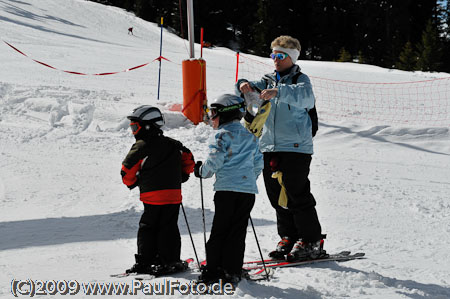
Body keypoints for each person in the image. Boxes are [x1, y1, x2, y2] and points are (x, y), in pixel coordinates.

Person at [236, 35, 326, 262]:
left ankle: (311, 239)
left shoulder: (301, 79)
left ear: (292, 58)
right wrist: (243, 85)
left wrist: (279, 92)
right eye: (273, 55)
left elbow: (306, 98)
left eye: (281, 56)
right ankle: (289, 236)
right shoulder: (267, 79)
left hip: (296, 147)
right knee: (276, 194)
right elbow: (247, 87)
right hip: (269, 145)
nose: (275, 59)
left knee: (297, 192)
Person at [194, 94, 264, 284]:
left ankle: (213, 269)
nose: (211, 117)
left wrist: (202, 171)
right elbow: (258, 163)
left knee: (220, 230)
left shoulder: (221, 135)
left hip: (226, 191)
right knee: (237, 231)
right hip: (247, 192)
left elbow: (214, 161)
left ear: (225, 114)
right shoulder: (251, 137)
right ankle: (232, 269)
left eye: (214, 112)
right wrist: (248, 179)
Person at [121, 105, 195, 275]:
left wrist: (133, 181)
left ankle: (146, 260)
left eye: (135, 127)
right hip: (173, 195)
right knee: (168, 227)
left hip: (151, 195)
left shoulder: (141, 146)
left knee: (148, 227)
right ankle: (169, 260)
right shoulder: (174, 145)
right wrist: (182, 173)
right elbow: (189, 162)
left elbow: (127, 170)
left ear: (148, 126)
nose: (133, 131)